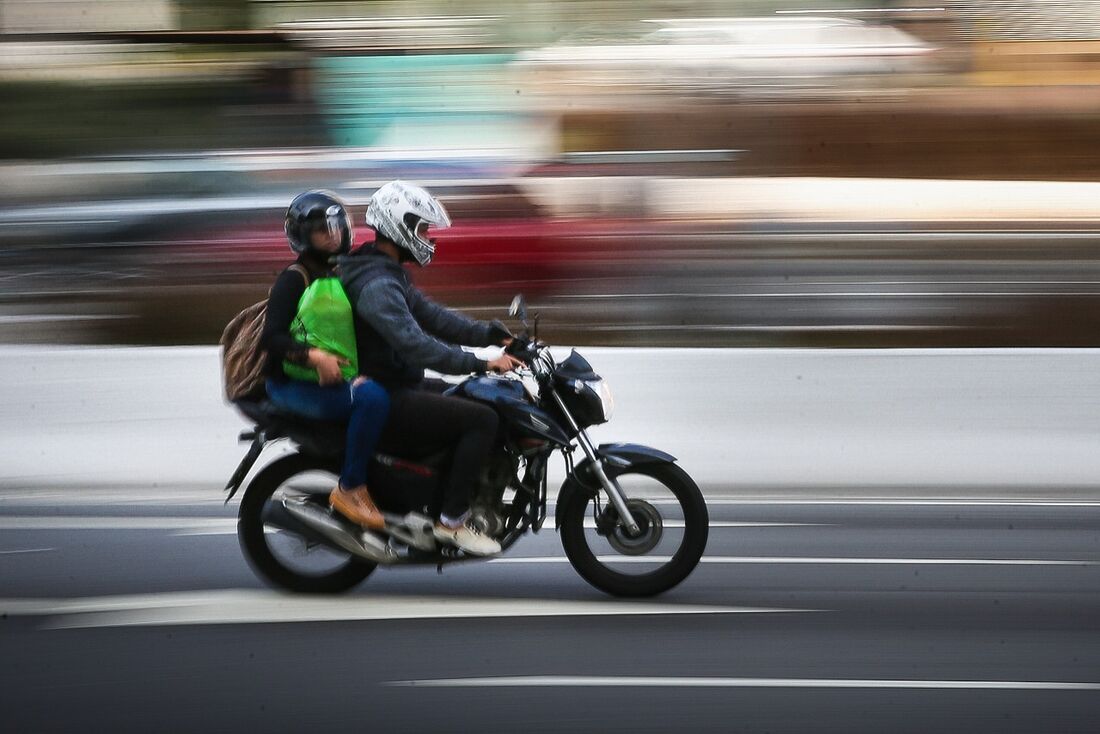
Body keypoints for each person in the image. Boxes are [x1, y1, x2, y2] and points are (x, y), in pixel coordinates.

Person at [338, 181, 523, 556]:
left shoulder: (386, 272)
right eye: (421, 229)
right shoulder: (376, 284)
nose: (426, 238)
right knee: (481, 420)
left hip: (401, 384)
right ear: (397, 225)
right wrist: (482, 362)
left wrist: (492, 335)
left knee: (476, 399)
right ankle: (452, 522)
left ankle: (452, 493)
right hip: (387, 394)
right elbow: (416, 344)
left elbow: (435, 318)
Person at [260, 190, 391, 530]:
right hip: (292, 384)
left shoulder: (343, 272)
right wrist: (314, 357)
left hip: (337, 378)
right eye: (321, 229)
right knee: (372, 399)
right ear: (302, 235)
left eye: (336, 226)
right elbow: (271, 338)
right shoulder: (295, 278)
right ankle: (351, 488)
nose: (332, 235)